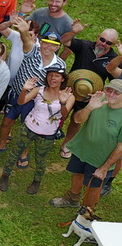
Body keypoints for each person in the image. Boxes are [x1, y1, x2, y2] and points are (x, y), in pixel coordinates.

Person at [0, 21, 65, 155]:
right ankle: (2, 144)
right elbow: (26, 41)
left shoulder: (60, 65)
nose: (48, 47)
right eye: (46, 43)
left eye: (53, 45)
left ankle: (24, 154)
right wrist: (24, 31)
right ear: (41, 42)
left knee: (29, 130)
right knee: (7, 122)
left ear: (57, 47)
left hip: (35, 101)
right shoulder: (32, 51)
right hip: (17, 94)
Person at [0, 65, 75, 194]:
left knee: (40, 160)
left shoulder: (68, 96)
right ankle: (5, 176)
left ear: (62, 79)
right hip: (28, 128)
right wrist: (24, 90)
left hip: (47, 134)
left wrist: (62, 102)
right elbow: (21, 102)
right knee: (15, 152)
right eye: (50, 75)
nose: (52, 78)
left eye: (56, 76)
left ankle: (36, 181)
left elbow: (65, 114)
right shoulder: (39, 90)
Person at [50, 80, 122, 209]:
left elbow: (120, 147)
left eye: (117, 92)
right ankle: (72, 198)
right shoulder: (100, 100)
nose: (111, 94)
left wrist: (105, 168)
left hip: (100, 159)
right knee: (77, 174)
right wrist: (89, 107)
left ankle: (87, 211)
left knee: (94, 187)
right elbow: (77, 119)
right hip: (82, 149)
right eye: (109, 90)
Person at [58, 22, 119, 157]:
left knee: (76, 121)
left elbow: (116, 80)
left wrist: (101, 93)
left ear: (112, 45)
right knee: (61, 113)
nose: (103, 44)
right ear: (98, 37)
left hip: (89, 95)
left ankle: (66, 144)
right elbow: (64, 41)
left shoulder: (113, 59)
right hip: (70, 89)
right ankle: (52, 133)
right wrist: (73, 32)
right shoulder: (85, 46)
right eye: (102, 39)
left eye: (108, 43)